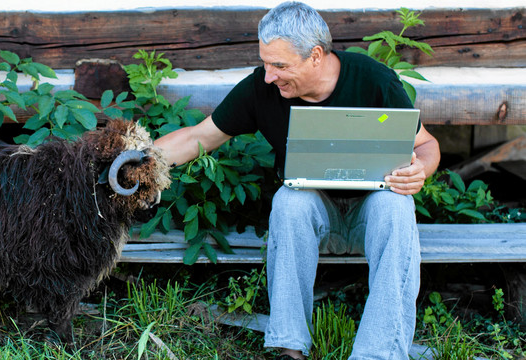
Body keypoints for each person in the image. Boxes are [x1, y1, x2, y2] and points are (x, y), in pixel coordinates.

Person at [154, 2, 440, 359]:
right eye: (265, 63)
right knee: (290, 200)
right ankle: (289, 348)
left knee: (397, 205)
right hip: (312, 213)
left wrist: (421, 170)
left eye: (280, 65)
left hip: (373, 210)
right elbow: (198, 137)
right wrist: (136, 161)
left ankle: (377, 353)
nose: (269, 75)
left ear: (316, 56)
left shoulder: (374, 80)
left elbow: (427, 144)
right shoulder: (263, 88)